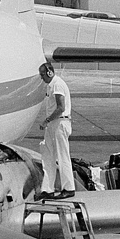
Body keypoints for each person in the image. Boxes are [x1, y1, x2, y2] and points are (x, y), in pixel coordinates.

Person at [38, 61, 74, 199]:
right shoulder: (51, 85)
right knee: (48, 156)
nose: (42, 78)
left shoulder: (58, 84)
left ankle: (69, 188)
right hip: (53, 124)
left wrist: (46, 120)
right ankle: (47, 189)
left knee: (62, 156)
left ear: (49, 72)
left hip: (59, 123)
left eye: (42, 75)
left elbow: (61, 107)